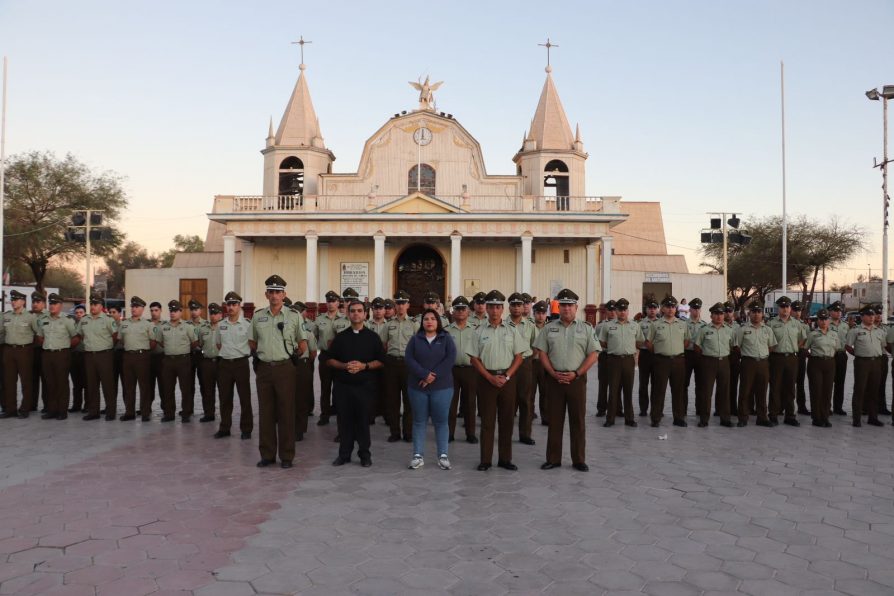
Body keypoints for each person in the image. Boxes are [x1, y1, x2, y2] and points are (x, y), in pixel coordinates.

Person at [534, 288, 600, 471]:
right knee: (555, 421)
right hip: (554, 380)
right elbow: (542, 353)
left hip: (576, 380)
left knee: (577, 420)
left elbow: (593, 355)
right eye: (563, 305)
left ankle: (578, 459)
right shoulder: (549, 328)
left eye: (570, 305)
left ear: (576, 307)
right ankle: (553, 459)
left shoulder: (586, 328)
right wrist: (552, 373)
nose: (566, 309)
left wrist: (577, 373)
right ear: (558, 307)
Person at [250, 275, 307, 469]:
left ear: (284, 294)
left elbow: (303, 342)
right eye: (271, 292)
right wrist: (261, 353)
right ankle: (267, 454)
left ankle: (287, 456)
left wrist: (293, 356)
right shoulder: (258, 316)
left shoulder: (294, 316)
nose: (274, 295)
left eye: (278, 292)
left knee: (286, 412)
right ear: (266, 294)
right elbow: (252, 340)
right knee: (265, 413)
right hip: (264, 369)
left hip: (285, 369)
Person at [468, 290, 525, 471]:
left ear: (503, 309)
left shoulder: (512, 330)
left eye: (498, 307)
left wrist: (507, 376)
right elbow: (474, 359)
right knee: (487, 421)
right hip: (486, 379)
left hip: (507, 380)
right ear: (487, 308)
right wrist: (489, 377)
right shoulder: (478, 331)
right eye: (491, 307)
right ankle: (485, 459)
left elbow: (519, 356)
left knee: (507, 420)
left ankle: (505, 459)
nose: (494, 311)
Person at [327, 299, 385, 467]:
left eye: (360, 311)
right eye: (353, 311)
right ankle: (344, 454)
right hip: (344, 387)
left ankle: (365, 455)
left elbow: (381, 361)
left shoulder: (373, 337)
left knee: (363, 423)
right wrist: (344, 366)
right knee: (344, 422)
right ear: (347, 314)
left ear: (365, 314)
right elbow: (329, 360)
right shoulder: (340, 337)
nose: (356, 314)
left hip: (365, 388)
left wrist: (364, 366)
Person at [404, 309, 457, 470]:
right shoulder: (415, 339)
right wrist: (424, 374)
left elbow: (450, 359)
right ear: (422, 322)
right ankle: (418, 456)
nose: (429, 321)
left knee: (441, 421)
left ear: (438, 322)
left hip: (442, 387)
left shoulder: (446, 339)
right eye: (426, 319)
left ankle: (443, 456)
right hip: (417, 387)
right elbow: (409, 359)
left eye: (433, 319)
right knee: (419, 421)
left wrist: (433, 376)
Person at [646, 296, 690, 427]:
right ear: (663, 309)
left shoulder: (682, 324)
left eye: (673, 307)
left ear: (676, 309)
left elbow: (686, 341)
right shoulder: (655, 325)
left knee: (678, 390)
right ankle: (655, 418)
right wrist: (660, 351)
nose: (671, 309)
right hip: (661, 361)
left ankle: (679, 418)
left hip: (678, 361)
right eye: (668, 307)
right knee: (659, 390)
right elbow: (648, 343)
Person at [599, 297, 643, 427]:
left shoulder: (635, 325)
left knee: (628, 390)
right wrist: (614, 347)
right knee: (613, 390)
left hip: (629, 360)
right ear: (616, 311)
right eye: (620, 310)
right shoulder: (608, 326)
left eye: (624, 310)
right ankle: (610, 418)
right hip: (613, 360)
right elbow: (602, 341)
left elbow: (639, 341)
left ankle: (629, 418)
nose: (622, 312)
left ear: (628, 311)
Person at [214, 292, 253, 439]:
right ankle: (225, 427)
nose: (230, 307)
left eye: (234, 304)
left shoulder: (247, 324)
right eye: (228, 304)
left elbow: (252, 343)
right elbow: (218, 344)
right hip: (224, 364)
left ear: (239, 306)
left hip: (241, 364)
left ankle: (246, 429)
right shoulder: (221, 325)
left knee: (245, 398)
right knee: (224, 398)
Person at [36, 293, 79, 420]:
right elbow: (39, 336)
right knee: (49, 383)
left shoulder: (67, 320)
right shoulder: (44, 320)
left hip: (62, 354)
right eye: (50, 303)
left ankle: (62, 410)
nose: (52, 306)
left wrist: (65, 346)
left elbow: (76, 337)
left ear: (60, 305)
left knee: (61, 383)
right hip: (47, 354)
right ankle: (52, 409)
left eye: (55, 304)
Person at [734, 302, 777, 427]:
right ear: (749, 314)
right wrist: (749, 355)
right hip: (748, 363)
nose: (757, 315)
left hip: (763, 363)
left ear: (762, 314)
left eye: (759, 312)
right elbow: (737, 347)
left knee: (762, 391)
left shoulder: (767, 330)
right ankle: (743, 417)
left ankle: (762, 417)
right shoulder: (742, 329)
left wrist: (762, 355)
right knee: (745, 391)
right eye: (754, 312)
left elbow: (771, 346)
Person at [692, 302, 734, 428]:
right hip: (708, 362)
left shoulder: (729, 330)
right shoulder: (704, 329)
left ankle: (725, 418)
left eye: (721, 314)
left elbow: (732, 346)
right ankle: (704, 419)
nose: (719, 316)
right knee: (706, 391)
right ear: (711, 316)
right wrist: (706, 358)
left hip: (724, 362)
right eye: (716, 314)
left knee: (724, 391)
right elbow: (697, 346)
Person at [79, 294, 119, 421]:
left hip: (104, 355)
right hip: (89, 355)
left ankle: (110, 412)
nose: (93, 307)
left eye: (95, 304)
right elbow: (79, 335)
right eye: (91, 304)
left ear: (101, 306)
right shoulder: (84, 320)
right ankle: (93, 411)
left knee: (108, 384)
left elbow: (115, 336)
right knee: (91, 384)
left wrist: (106, 347)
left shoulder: (108, 319)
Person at [157, 300, 198, 422]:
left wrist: (182, 350)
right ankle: (169, 414)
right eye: (171, 311)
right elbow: (160, 341)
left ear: (181, 312)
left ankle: (186, 413)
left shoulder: (188, 327)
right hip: (168, 361)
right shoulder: (163, 327)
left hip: (183, 360)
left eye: (175, 311)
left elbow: (194, 342)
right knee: (168, 388)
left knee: (185, 388)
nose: (172, 313)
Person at [1, 290, 40, 418]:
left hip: (24, 350)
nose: (13, 302)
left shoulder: (30, 317)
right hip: (9, 350)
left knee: (26, 381)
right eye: (12, 300)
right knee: (9, 381)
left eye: (16, 300)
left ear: (23, 301)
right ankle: (10, 409)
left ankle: (25, 409)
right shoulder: (6, 316)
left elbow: (38, 333)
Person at [768, 296, 806, 426]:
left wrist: (794, 348)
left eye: (787, 306)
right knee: (775, 387)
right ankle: (773, 414)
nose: (785, 309)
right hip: (776, 358)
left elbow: (802, 339)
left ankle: (790, 415)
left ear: (790, 308)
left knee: (790, 388)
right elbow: (768, 342)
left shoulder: (797, 323)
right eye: (782, 307)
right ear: (778, 308)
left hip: (792, 358)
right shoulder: (771, 324)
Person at [445, 296, 479, 443]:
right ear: (453, 311)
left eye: (463, 309)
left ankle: (470, 433)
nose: (460, 311)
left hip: (470, 370)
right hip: (451, 371)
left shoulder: (476, 330)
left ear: (468, 311)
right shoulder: (446, 331)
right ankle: (449, 433)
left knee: (470, 403)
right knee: (450, 404)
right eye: (457, 309)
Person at [117, 296, 156, 421]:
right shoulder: (124, 323)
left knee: (144, 386)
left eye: (136, 307)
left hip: (142, 357)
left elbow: (153, 341)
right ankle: (129, 412)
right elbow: (121, 340)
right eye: (132, 306)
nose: (133, 309)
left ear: (142, 309)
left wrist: (143, 351)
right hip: (128, 356)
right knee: (128, 386)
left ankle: (145, 413)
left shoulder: (147, 324)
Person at [384, 290, 416, 442]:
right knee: (392, 399)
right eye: (398, 303)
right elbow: (383, 345)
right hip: (391, 364)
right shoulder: (388, 324)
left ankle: (408, 432)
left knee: (409, 400)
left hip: (408, 365)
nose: (401, 306)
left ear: (408, 305)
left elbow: (418, 346)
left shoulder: (414, 324)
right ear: (395, 305)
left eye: (403, 303)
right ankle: (394, 432)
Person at [845, 305, 885, 427]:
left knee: (874, 390)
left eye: (873, 315)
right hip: (862, 362)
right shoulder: (855, 331)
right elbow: (848, 346)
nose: (872, 317)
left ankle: (873, 417)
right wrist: (858, 355)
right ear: (862, 317)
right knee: (860, 390)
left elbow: (882, 345)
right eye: (868, 315)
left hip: (876, 362)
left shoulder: (879, 331)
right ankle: (856, 418)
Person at [314, 289, 349, 425]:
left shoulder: (345, 319)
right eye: (328, 301)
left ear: (338, 302)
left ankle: (338, 411)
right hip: (326, 356)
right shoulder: (319, 319)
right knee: (325, 387)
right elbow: (314, 336)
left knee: (339, 388)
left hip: (340, 358)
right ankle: (324, 415)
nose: (330, 304)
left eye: (333, 301)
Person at [506, 292, 537, 445]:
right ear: (509, 307)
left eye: (520, 305)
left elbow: (535, 345)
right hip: (507, 364)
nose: (517, 308)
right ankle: (507, 433)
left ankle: (525, 434)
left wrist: (528, 357)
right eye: (514, 305)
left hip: (525, 364)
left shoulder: (530, 325)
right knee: (508, 401)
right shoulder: (502, 324)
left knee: (525, 400)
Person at [805, 309, 840, 427]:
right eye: (821, 319)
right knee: (816, 390)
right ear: (818, 321)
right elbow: (805, 348)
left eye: (826, 319)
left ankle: (825, 416)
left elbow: (836, 348)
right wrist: (814, 356)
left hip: (830, 363)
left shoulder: (834, 334)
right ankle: (816, 417)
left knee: (827, 391)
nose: (824, 321)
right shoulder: (813, 334)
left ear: (829, 320)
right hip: (816, 363)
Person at [290, 300, 317, 441]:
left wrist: (304, 363)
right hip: (287, 365)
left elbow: (313, 353)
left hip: (302, 365)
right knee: (287, 398)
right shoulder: (284, 333)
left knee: (301, 398)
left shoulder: (308, 333)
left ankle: (299, 429)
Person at [197, 303, 222, 422]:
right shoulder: (203, 328)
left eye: (216, 313)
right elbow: (201, 344)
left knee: (223, 389)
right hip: (206, 362)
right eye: (211, 313)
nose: (213, 316)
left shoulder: (224, 327)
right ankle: (209, 413)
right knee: (207, 389)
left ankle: (224, 414)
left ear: (220, 315)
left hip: (221, 362)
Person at [594, 300, 617, 418]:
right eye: (610, 310)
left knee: (617, 384)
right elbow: (597, 342)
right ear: (606, 311)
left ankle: (618, 408)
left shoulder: (622, 324)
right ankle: (601, 408)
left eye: (614, 310)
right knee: (603, 384)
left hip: (616, 357)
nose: (612, 312)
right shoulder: (600, 325)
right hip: (605, 356)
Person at [684, 298, 706, 417]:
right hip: (687, 355)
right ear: (690, 310)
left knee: (701, 384)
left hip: (700, 356)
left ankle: (700, 409)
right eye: (694, 308)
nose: (696, 311)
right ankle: (683, 410)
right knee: (684, 384)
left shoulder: (705, 325)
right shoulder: (683, 324)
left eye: (698, 308)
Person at [638, 299, 660, 417]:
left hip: (658, 355)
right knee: (643, 383)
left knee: (657, 384)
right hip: (645, 355)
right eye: (650, 308)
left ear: (657, 309)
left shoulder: (662, 323)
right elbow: (637, 340)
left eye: (654, 308)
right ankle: (643, 408)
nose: (652, 310)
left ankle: (656, 409)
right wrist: (646, 344)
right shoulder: (640, 324)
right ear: (646, 310)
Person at [828, 301, 849, 415]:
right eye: (836, 311)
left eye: (840, 311)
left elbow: (848, 341)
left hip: (841, 355)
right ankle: (827, 407)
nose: (838, 313)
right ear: (830, 312)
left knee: (840, 382)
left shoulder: (845, 325)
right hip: (831, 355)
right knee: (828, 382)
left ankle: (838, 407)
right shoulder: (826, 324)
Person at [531, 300, 550, 425]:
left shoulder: (551, 328)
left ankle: (546, 417)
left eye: (543, 313)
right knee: (529, 392)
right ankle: (529, 414)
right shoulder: (528, 327)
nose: (541, 316)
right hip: (532, 363)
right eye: (538, 313)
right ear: (534, 313)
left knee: (545, 392)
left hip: (545, 364)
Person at [791, 300, 812, 416]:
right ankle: (784, 406)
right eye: (795, 310)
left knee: (800, 382)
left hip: (801, 355)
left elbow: (808, 341)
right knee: (789, 382)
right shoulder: (789, 324)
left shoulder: (805, 325)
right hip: (790, 354)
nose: (797, 312)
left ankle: (802, 406)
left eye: (799, 310)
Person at [30, 292, 49, 413]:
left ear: (44, 303)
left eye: (38, 302)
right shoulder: (28, 315)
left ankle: (47, 405)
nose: (35, 304)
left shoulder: (48, 315)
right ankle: (31, 404)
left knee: (46, 379)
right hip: (30, 351)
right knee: (31, 379)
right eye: (33, 302)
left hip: (44, 351)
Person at [68, 304, 87, 414]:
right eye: (77, 313)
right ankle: (76, 405)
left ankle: (88, 405)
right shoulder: (72, 324)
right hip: (74, 355)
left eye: (81, 312)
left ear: (84, 313)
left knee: (87, 382)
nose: (79, 315)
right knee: (76, 383)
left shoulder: (88, 323)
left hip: (85, 355)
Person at [723, 301, 741, 416]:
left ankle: (733, 408)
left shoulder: (738, 326)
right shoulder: (719, 325)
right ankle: (720, 408)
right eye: (726, 311)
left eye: (730, 311)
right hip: (724, 356)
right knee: (722, 384)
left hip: (734, 356)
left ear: (733, 313)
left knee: (733, 384)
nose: (728, 313)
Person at [147, 301, 165, 412]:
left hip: (161, 358)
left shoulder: (165, 325)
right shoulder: (146, 324)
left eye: (156, 310)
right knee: (148, 385)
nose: (154, 313)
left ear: (160, 310)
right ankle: (146, 408)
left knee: (163, 384)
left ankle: (166, 408)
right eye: (152, 311)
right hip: (148, 358)